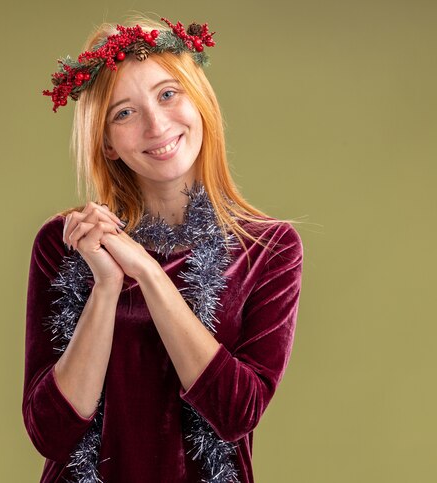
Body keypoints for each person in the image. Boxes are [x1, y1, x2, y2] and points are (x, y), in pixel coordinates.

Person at [23, 15, 303, 483]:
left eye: (168, 94)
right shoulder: (67, 242)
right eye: (124, 112)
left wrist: (148, 273)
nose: (156, 125)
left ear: (200, 102)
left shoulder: (268, 248)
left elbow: (235, 413)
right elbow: (51, 433)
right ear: (108, 143)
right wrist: (108, 284)